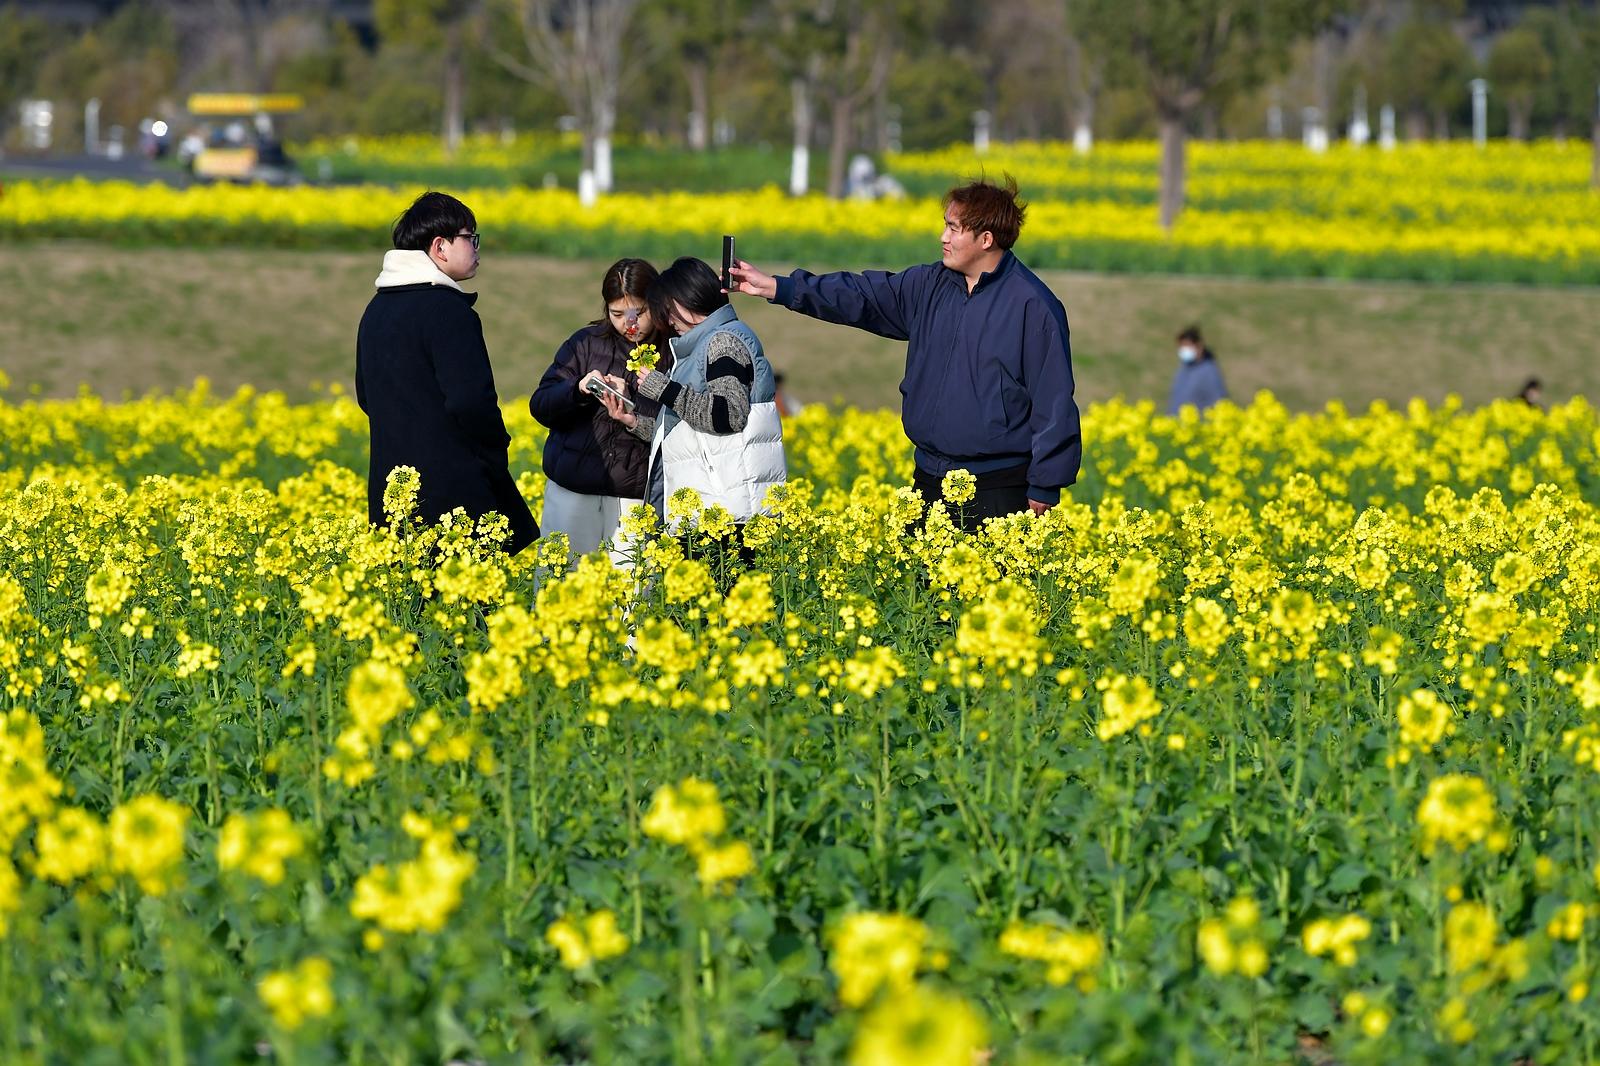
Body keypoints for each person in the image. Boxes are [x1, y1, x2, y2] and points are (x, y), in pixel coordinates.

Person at [727, 176, 1079, 532]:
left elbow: (1053, 402)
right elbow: (859, 295)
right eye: (945, 225)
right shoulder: (929, 285)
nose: (943, 237)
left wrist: (1045, 485)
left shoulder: (1033, 306)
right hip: (927, 479)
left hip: (998, 487)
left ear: (986, 239)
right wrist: (778, 287)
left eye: (954, 228)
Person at [355, 191, 538, 554]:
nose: (477, 248)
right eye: (470, 238)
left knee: (409, 589)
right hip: (454, 497)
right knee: (464, 589)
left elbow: (365, 397)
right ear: (440, 246)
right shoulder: (448, 311)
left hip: (394, 495)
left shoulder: (375, 310)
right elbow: (472, 402)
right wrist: (496, 449)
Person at [595, 256, 786, 529]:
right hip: (717, 505)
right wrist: (635, 421)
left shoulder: (722, 342)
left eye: (667, 310)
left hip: (729, 510)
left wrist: (665, 390)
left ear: (685, 300)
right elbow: (691, 434)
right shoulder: (704, 343)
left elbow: (728, 415)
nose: (668, 320)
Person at [529, 258, 670, 564]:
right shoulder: (585, 343)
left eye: (639, 313)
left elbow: (677, 425)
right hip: (573, 488)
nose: (629, 324)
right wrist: (578, 389)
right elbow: (541, 405)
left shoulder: (674, 350)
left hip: (635, 496)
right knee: (560, 579)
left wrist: (631, 406)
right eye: (617, 314)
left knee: (632, 589)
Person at [1167, 325, 1228, 416]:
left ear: (1199, 346)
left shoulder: (1209, 372)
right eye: (1181, 347)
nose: (1184, 351)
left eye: (1187, 346)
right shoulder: (1184, 368)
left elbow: (1219, 402)